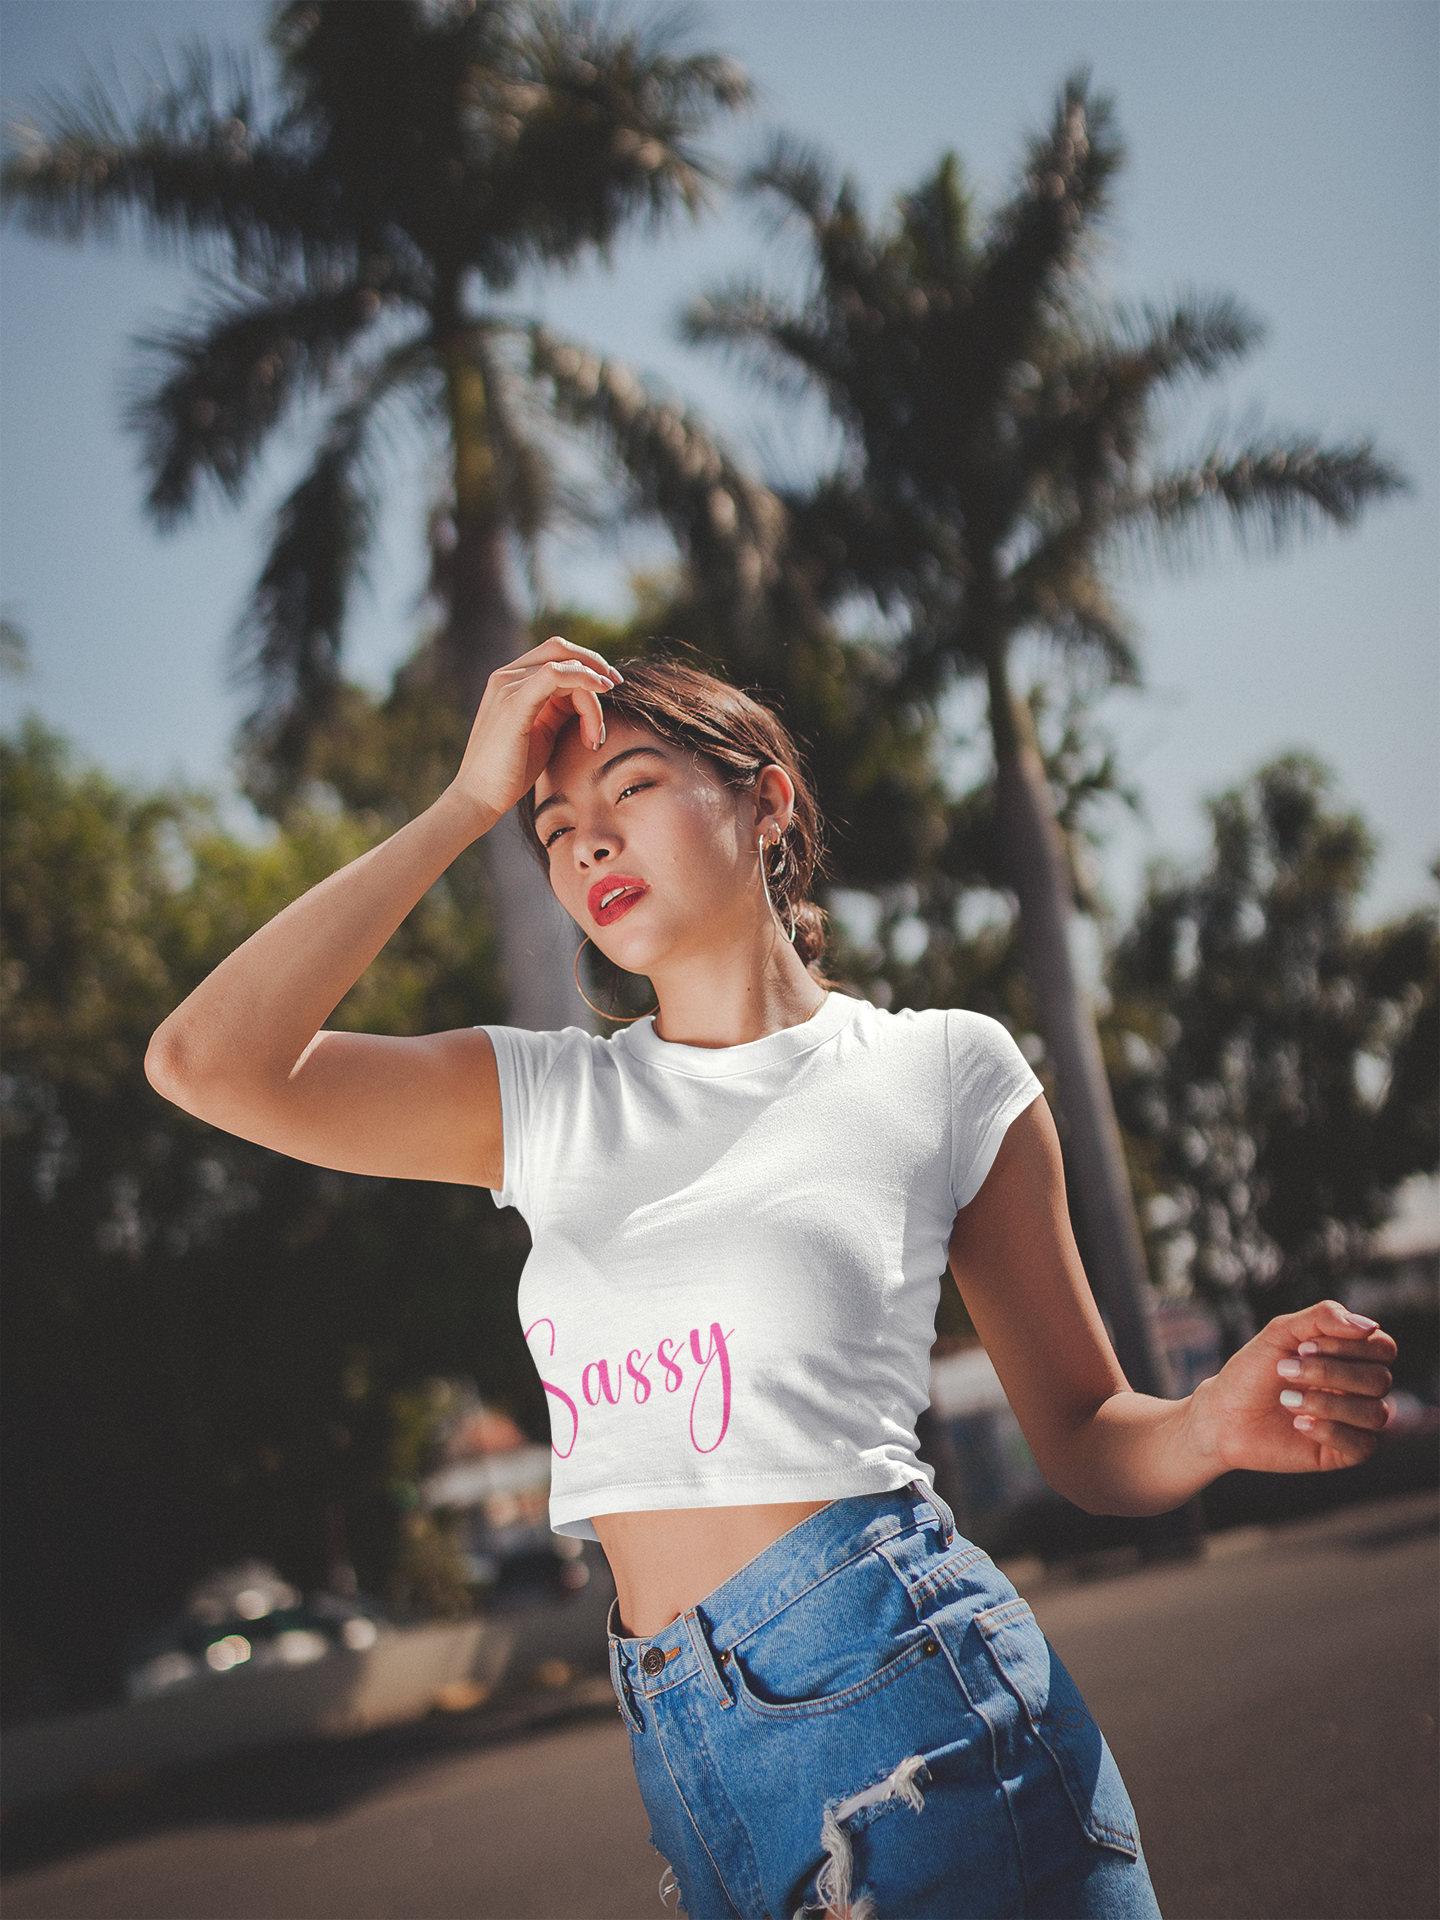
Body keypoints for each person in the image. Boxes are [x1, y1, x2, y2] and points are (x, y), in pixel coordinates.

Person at [146, 636, 1396, 1920]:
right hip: (688, 1754)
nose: (588, 842)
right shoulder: (547, 1099)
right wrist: (466, 804)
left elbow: (1083, 1433)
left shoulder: (941, 1069)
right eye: (554, 827)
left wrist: (1207, 1423)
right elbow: (203, 1063)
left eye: (632, 787)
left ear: (766, 802)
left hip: (915, 1711)